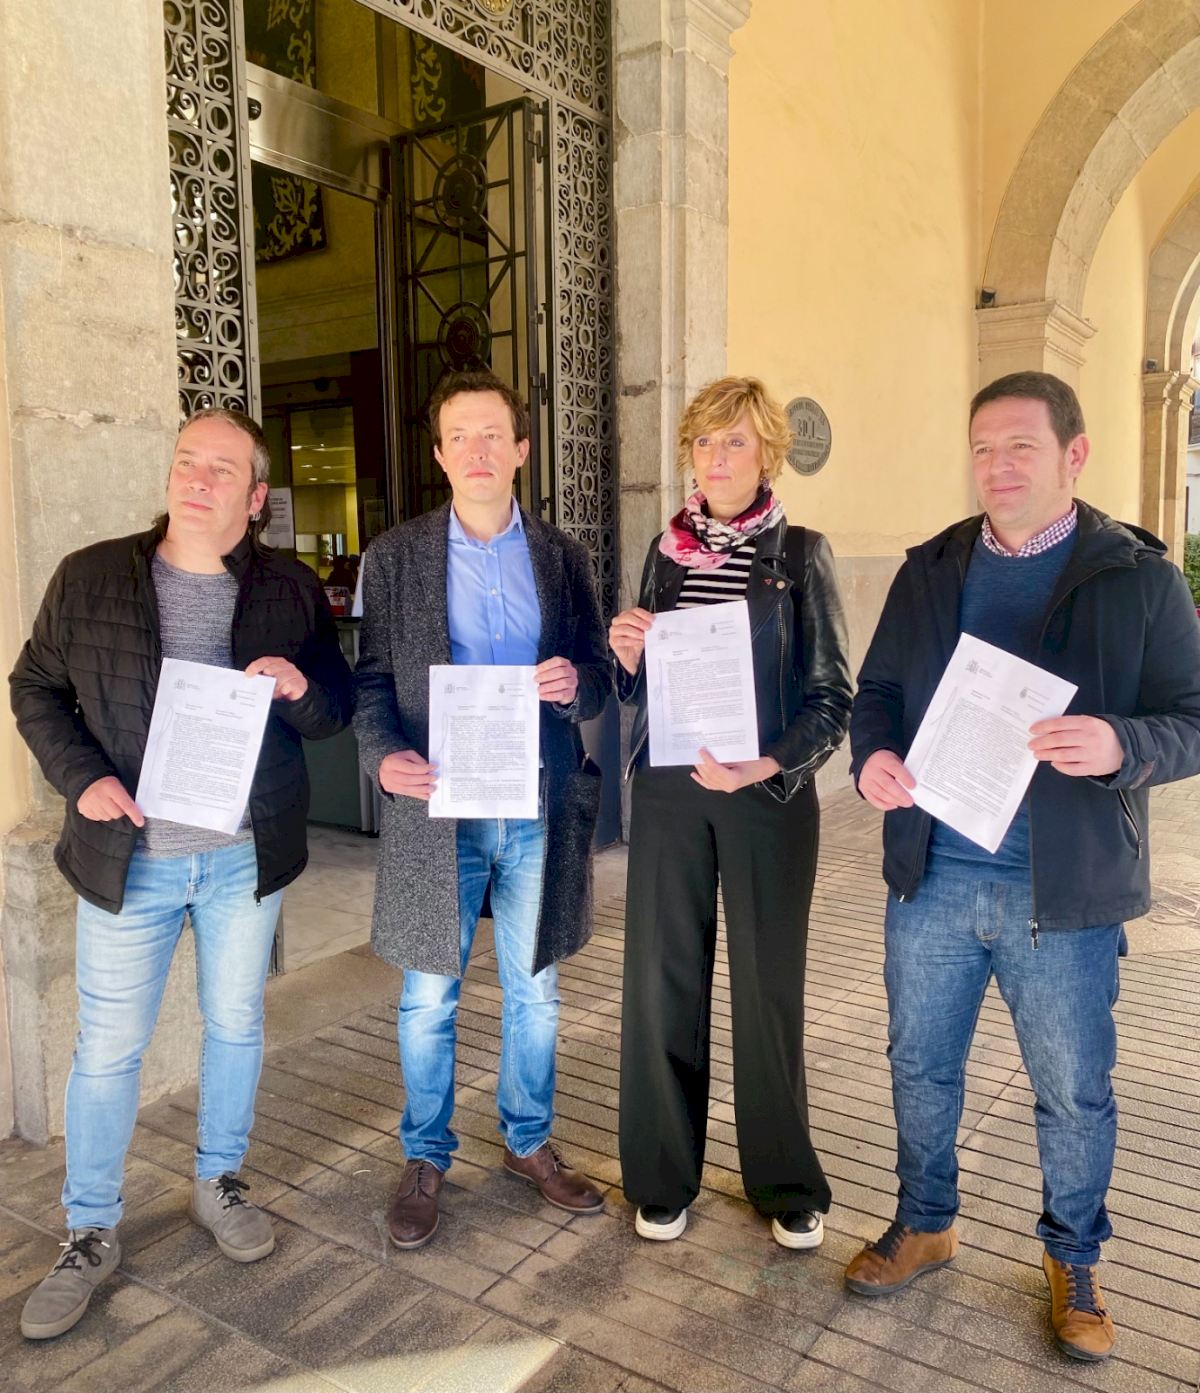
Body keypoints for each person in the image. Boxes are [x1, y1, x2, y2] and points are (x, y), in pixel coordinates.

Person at [846, 371, 1200, 1362]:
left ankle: (1074, 1256)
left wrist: (1123, 743)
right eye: (983, 449)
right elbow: (877, 693)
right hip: (933, 875)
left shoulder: (1139, 577)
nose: (997, 467)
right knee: (918, 1063)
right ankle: (926, 1221)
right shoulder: (932, 568)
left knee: (1074, 1087)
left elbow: (1191, 719)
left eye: (1020, 447)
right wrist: (872, 757)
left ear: (1073, 455)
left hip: (1065, 890)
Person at [10, 408, 353, 1341]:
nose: (197, 479)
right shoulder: (91, 576)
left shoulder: (289, 587)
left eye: (221, 469)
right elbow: (33, 687)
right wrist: (82, 779)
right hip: (131, 860)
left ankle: (217, 1179)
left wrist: (301, 689)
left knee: (236, 1024)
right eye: (186, 461)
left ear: (257, 495)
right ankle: (89, 1228)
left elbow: (334, 707)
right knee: (108, 1049)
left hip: (243, 855)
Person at [354, 368, 612, 1248]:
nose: (477, 450)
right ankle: (425, 1155)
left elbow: (598, 673)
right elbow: (371, 680)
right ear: (439, 454)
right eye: (460, 435)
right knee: (429, 994)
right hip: (440, 808)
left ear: (522, 449)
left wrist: (578, 682)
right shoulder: (395, 558)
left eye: (493, 434)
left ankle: (527, 1139)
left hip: (536, 800)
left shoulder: (563, 558)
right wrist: (381, 756)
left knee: (535, 989)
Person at [609, 375, 852, 1249]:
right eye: (705, 441)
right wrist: (626, 656)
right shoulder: (664, 553)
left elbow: (832, 698)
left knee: (766, 987)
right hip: (671, 790)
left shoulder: (803, 554)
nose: (717, 457)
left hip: (766, 795)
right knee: (663, 981)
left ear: (767, 453)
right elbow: (641, 689)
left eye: (736, 440)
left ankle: (785, 1180)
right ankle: (662, 1176)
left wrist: (770, 762)